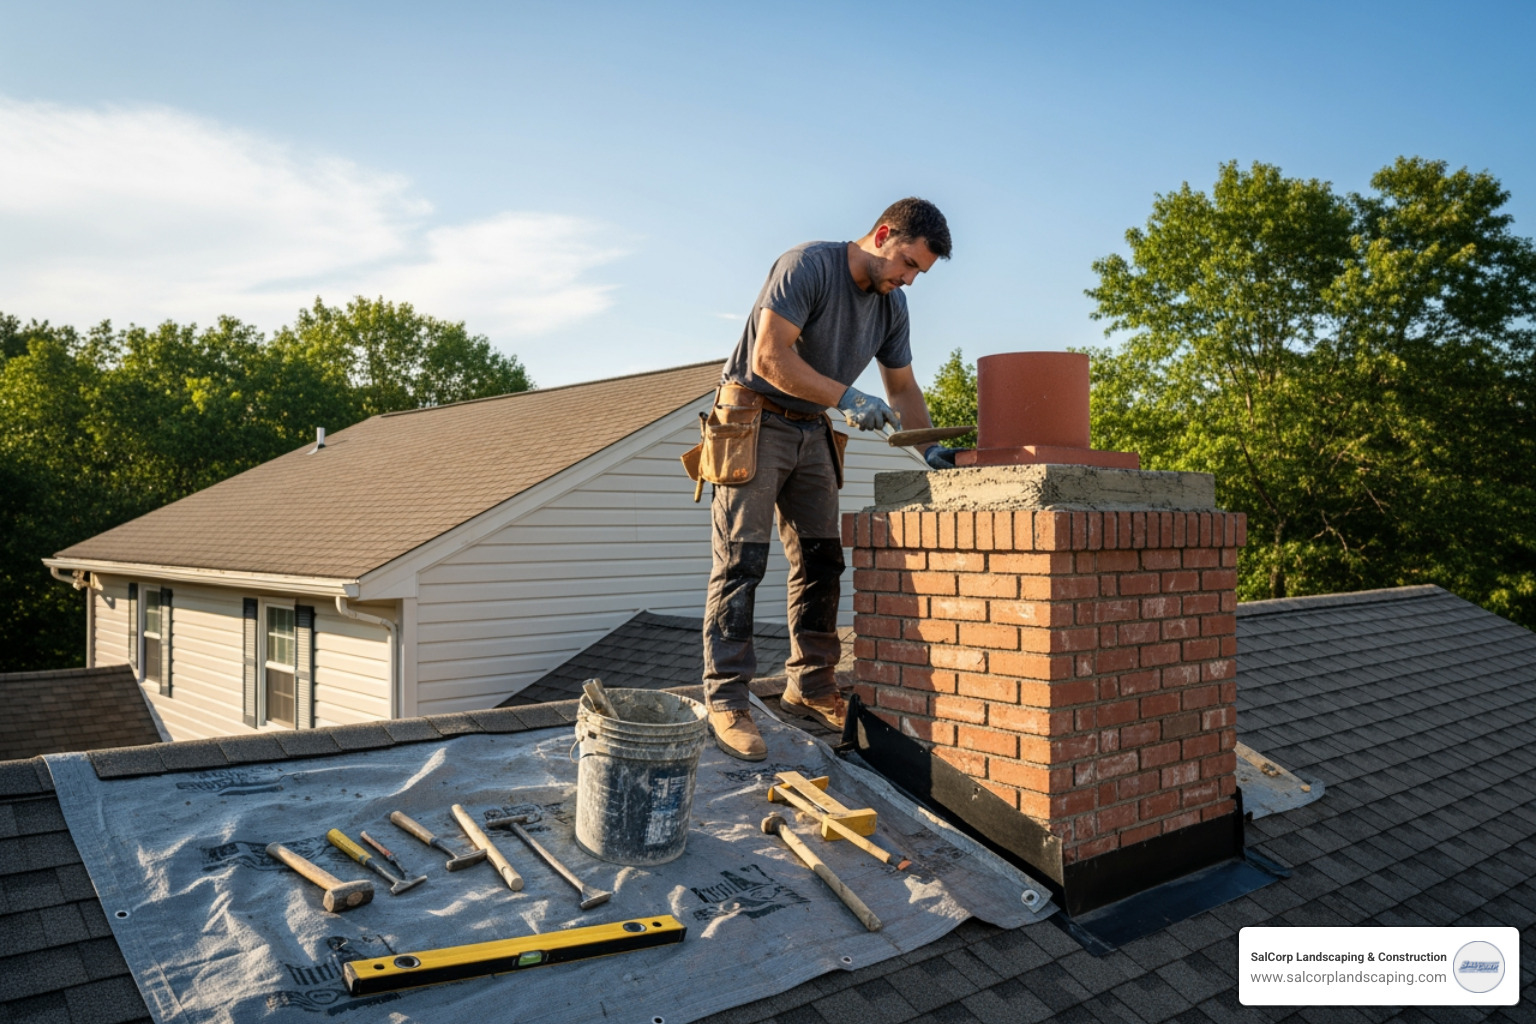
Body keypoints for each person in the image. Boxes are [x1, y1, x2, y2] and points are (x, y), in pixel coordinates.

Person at [702, 197, 958, 761]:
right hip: (752, 416)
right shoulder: (807, 266)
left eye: (919, 272)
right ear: (883, 234)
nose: (909, 280)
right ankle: (726, 700)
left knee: (822, 559)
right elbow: (770, 358)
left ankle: (812, 685)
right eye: (908, 263)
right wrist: (847, 395)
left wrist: (930, 447)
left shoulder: (892, 307)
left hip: (810, 427)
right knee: (741, 560)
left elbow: (903, 389)